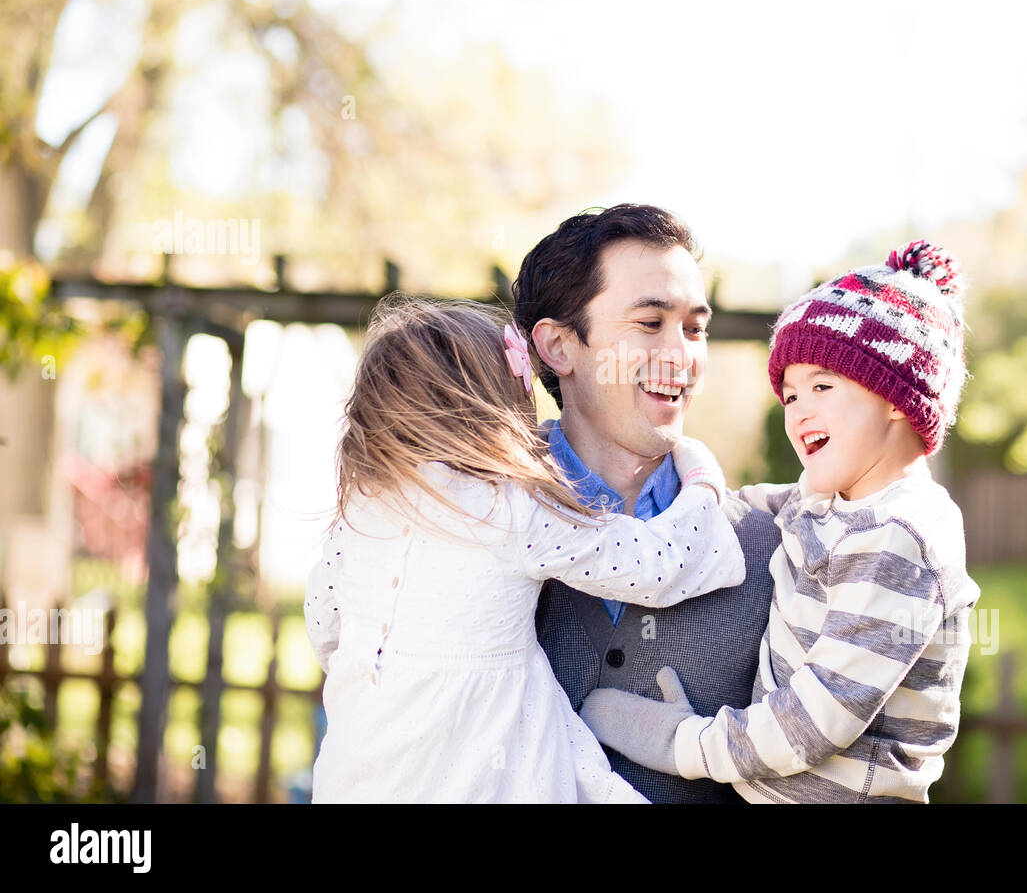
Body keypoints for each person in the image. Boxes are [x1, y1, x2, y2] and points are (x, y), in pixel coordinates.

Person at [580, 241, 981, 803]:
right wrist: (689, 469)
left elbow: (818, 720)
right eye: (790, 396)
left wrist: (687, 745)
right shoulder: (831, 500)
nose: (799, 413)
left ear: (896, 397)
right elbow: (744, 505)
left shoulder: (900, 537)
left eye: (822, 387)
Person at [303, 296, 746, 802]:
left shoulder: (361, 510)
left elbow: (325, 627)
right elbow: (654, 564)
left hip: (358, 773)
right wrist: (702, 487)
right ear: (497, 406)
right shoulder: (508, 507)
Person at [512, 204, 783, 803]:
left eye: (694, 328)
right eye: (650, 322)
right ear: (559, 346)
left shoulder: (767, 551)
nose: (681, 356)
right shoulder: (477, 526)